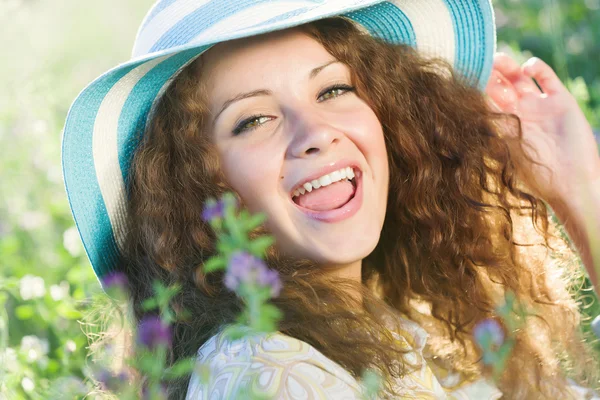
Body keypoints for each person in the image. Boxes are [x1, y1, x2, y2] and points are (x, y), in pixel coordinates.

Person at [62, 0, 600, 398]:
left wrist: (579, 190)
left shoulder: (393, 328)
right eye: (253, 120)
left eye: (333, 90)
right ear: (197, 188)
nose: (314, 130)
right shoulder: (267, 371)